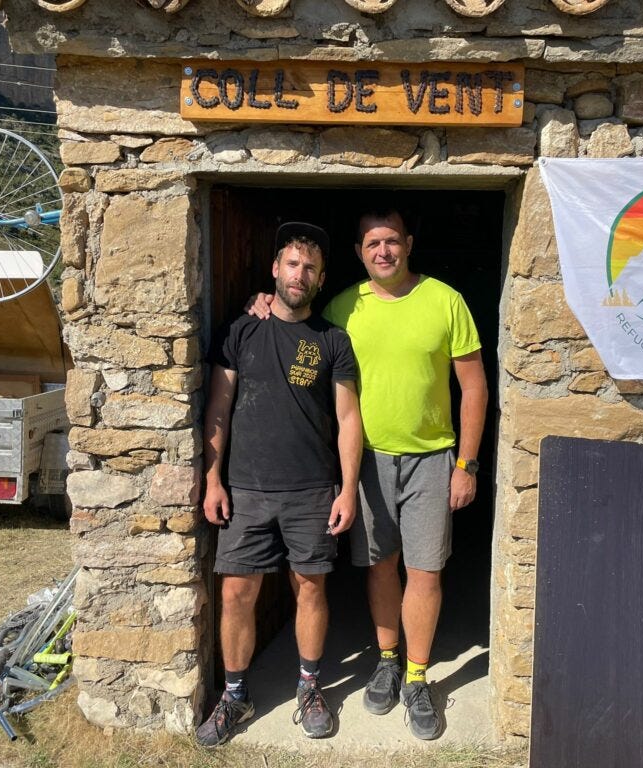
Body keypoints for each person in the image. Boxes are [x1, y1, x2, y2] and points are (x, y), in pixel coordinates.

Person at [250, 208, 488, 740]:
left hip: (433, 456)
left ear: (408, 242)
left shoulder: (445, 300)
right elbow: (295, 317)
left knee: (425, 571)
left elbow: (473, 386)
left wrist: (467, 464)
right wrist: (260, 300)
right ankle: (386, 660)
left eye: (391, 241)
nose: (383, 251)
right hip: (368, 460)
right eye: (372, 244)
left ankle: (418, 678)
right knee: (381, 566)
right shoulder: (341, 306)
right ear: (359, 252)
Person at [196, 222, 362, 747]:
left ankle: (310, 688)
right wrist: (212, 479)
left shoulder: (333, 340)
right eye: (292, 264)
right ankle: (235, 696)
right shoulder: (241, 330)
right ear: (275, 269)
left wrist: (347, 488)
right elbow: (218, 407)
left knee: (310, 589)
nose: (300, 274)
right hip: (244, 489)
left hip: (312, 489)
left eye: (310, 268)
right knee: (237, 593)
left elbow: (349, 417)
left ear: (321, 279)